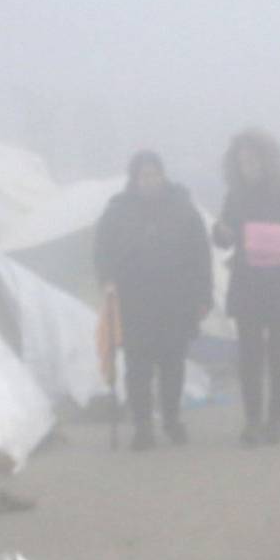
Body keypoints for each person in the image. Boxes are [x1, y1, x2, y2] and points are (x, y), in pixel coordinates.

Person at [94, 151, 212, 450]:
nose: (150, 180)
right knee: (138, 366)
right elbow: (102, 250)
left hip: (175, 298)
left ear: (163, 175)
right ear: (134, 179)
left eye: (154, 174)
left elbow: (200, 253)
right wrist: (106, 279)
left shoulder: (182, 207)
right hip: (134, 301)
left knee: (173, 363)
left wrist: (203, 294)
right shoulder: (117, 210)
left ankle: (172, 420)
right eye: (144, 175)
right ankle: (143, 426)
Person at [214, 129, 280, 445]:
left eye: (253, 160)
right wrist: (222, 233)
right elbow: (223, 234)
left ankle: (276, 419)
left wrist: (272, 239)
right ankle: (253, 420)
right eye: (242, 161)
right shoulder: (235, 196)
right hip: (247, 283)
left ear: (268, 160)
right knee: (250, 355)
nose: (248, 167)